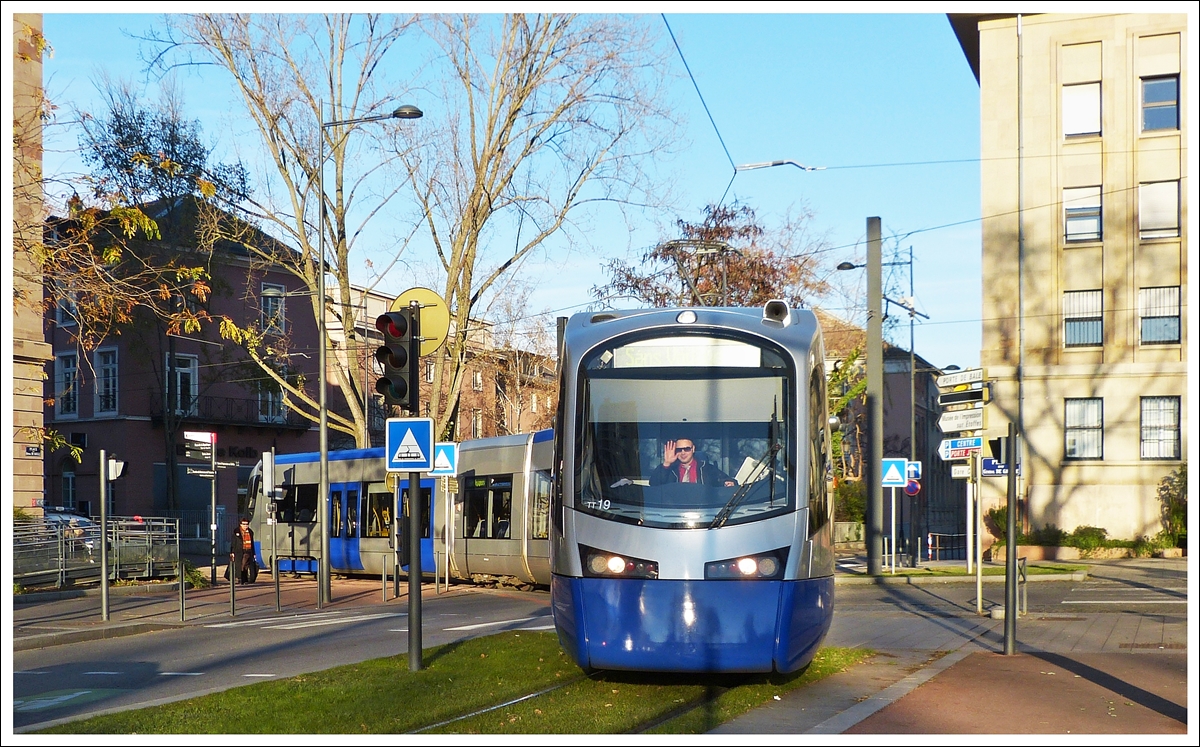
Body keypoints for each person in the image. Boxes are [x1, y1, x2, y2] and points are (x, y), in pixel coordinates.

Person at [648, 437, 736, 487]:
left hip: (702, 511)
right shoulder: (669, 470)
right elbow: (654, 484)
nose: (683, 452)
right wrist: (666, 463)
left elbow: (730, 482)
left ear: (693, 449)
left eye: (686, 449)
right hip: (674, 511)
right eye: (679, 449)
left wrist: (728, 483)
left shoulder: (707, 469)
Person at [231, 517, 257, 584]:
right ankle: (240, 578)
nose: (245, 526)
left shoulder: (250, 532)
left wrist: (254, 553)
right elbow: (233, 542)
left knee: (246, 565)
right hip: (239, 551)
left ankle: (244, 579)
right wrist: (232, 552)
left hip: (248, 550)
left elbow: (252, 543)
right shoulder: (236, 531)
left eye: (247, 524)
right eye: (244, 524)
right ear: (240, 524)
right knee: (241, 565)